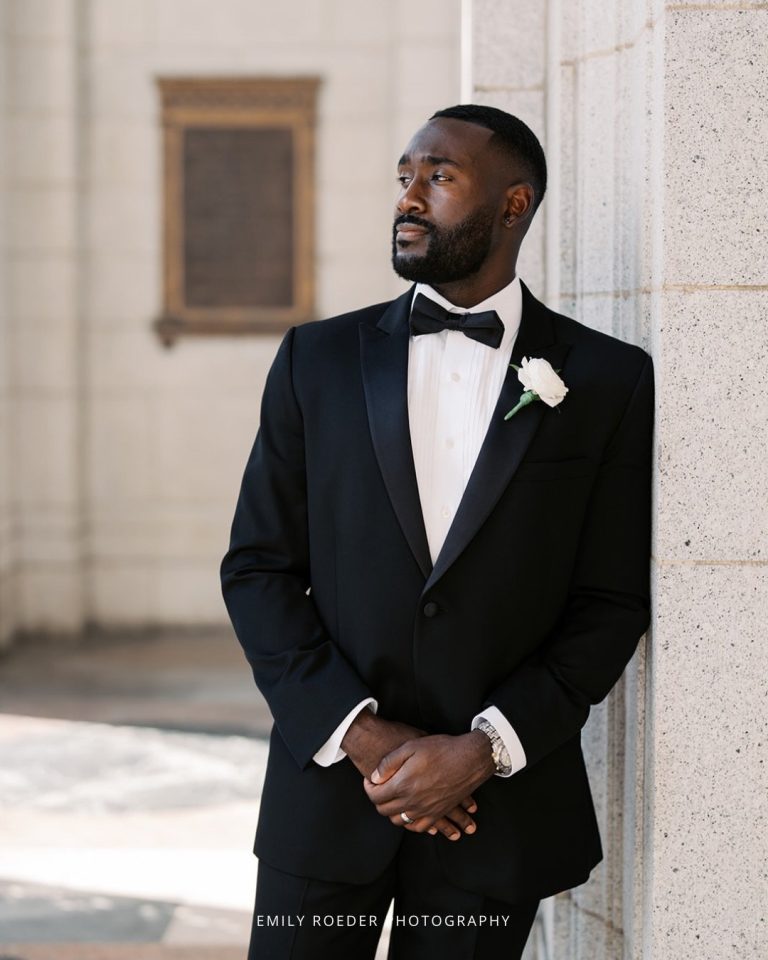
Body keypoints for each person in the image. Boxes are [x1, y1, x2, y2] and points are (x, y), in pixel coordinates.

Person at [221, 103, 653, 960]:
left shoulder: (606, 378)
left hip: (493, 819)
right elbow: (258, 569)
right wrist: (367, 738)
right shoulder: (317, 360)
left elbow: (608, 601)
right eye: (405, 176)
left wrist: (486, 749)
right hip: (330, 799)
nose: (410, 198)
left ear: (514, 204)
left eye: (440, 177)